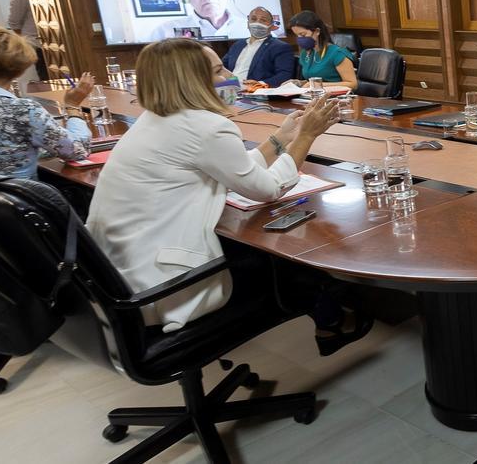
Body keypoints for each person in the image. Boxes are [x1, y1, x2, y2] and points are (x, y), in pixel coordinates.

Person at [86, 38, 370, 354]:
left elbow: (240, 173)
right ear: (193, 80)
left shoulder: (154, 121)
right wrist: (306, 136)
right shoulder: (205, 127)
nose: (230, 74)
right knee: (289, 250)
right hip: (164, 284)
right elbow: (267, 189)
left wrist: (282, 138)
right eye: (219, 69)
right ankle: (330, 323)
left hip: (120, 274)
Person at [0, 27, 94, 178]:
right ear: (20, 69)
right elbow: (78, 150)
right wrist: (72, 106)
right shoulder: (23, 111)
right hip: (13, 199)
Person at [222, 6, 295, 89]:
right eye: (253, 19)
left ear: (271, 26)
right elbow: (221, 67)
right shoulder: (238, 45)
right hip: (229, 89)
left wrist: (259, 84)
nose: (257, 23)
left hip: (254, 92)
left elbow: (284, 75)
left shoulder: (280, 47)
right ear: (247, 24)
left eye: (263, 20)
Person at [285, 10, 358, 90]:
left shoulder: (337, 53)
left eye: (303, 34)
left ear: (317, 31)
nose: (300, 39)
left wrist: (318, 85)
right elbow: (310, 80)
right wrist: (298, 83)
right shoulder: (305, 53)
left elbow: (353, 84)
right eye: (297, 35)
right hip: (313, 97)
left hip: (337, 99)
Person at [6, 0, 49, 80]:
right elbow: (14, 23)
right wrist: (27, 39)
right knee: (47, 78)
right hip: (37, 44)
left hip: (60, 42)